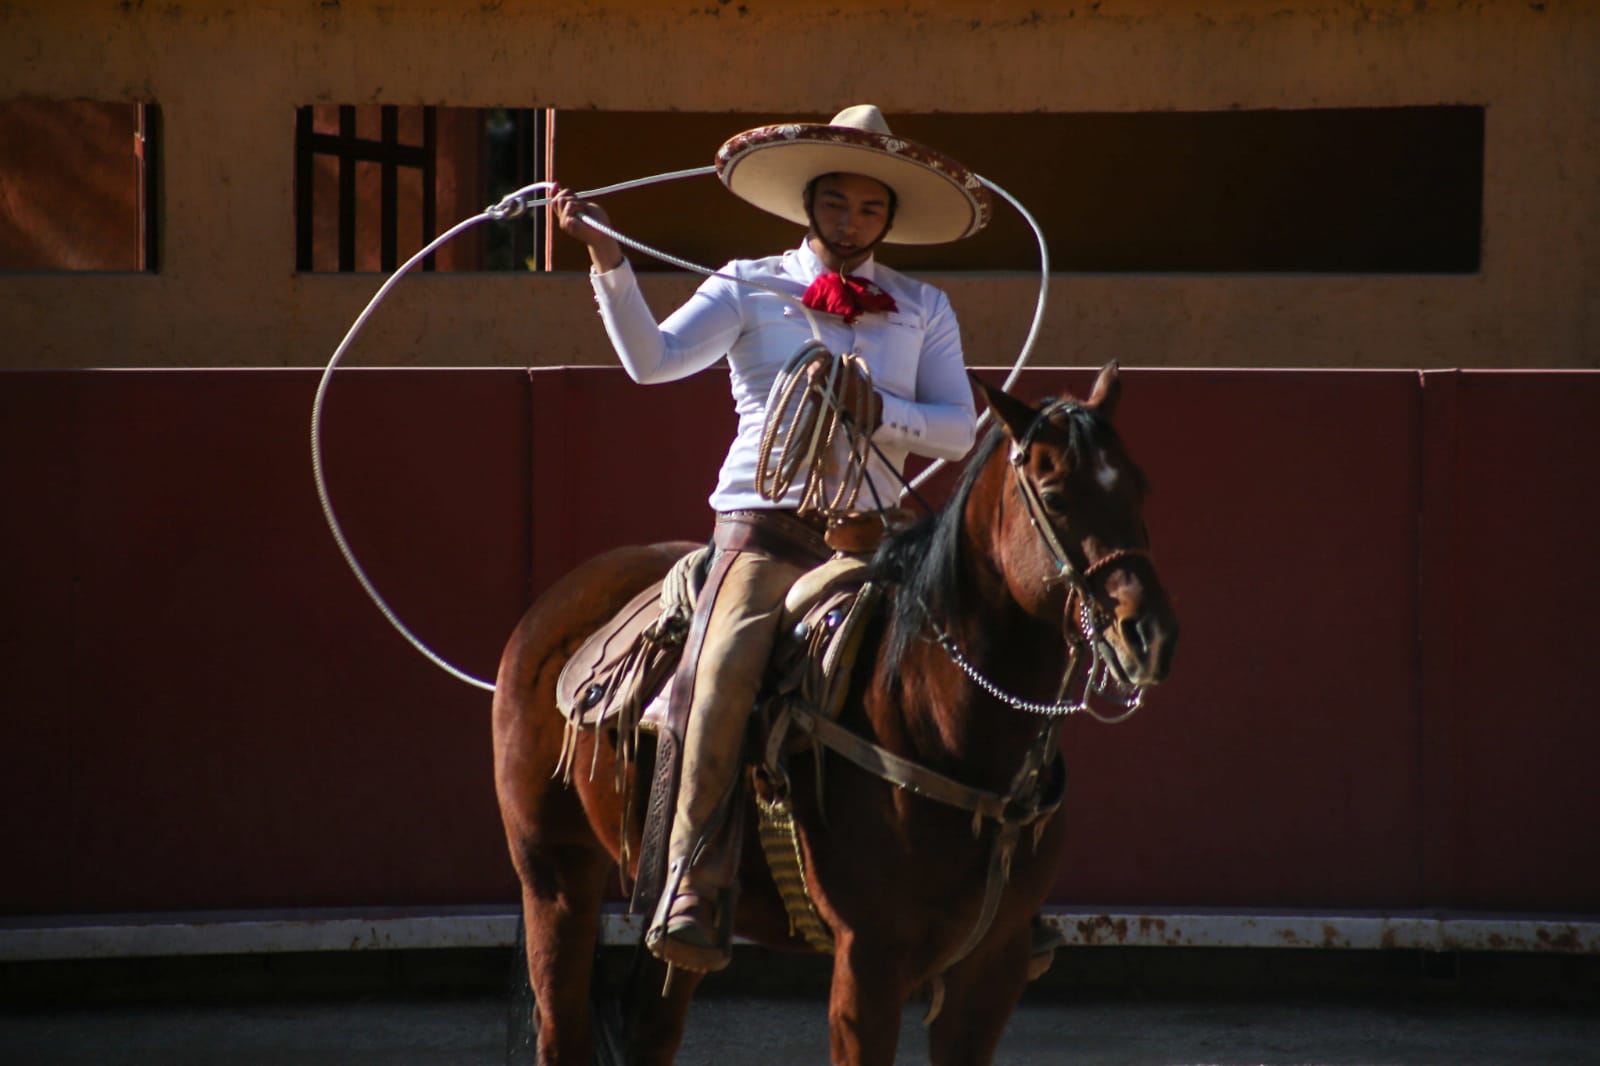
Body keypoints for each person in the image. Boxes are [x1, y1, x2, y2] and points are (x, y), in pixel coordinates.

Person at [551, 105, 990, 973]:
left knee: (984, 654)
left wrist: (884, 412)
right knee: (714, 676)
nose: (853, 223)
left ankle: (996, 886)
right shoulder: (749, 283)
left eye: (871, 210)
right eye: (837, 204)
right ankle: (693, 879)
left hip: (884, 536)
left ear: (890, 217)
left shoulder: (923, 306)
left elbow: (959, 426)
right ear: (808, 203)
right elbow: (654, 360)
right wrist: (611, 261)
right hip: (766, 530)